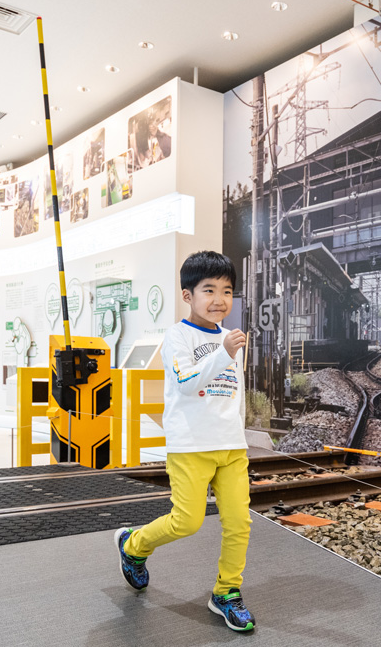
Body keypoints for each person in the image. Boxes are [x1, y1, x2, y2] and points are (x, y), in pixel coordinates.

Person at [114, 250, 255, 632]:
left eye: (227, 290)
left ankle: (226, 592)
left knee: (239, 523)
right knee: (186, 522)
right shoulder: (177, 336)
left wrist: (238, 436)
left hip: (230, 448)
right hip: (190, 446)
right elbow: (188, 384)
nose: (219, 299)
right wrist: (223, 354)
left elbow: (232, 396)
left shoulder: (231, 338)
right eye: (208, 289)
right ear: (188, 295)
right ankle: (133, 545)